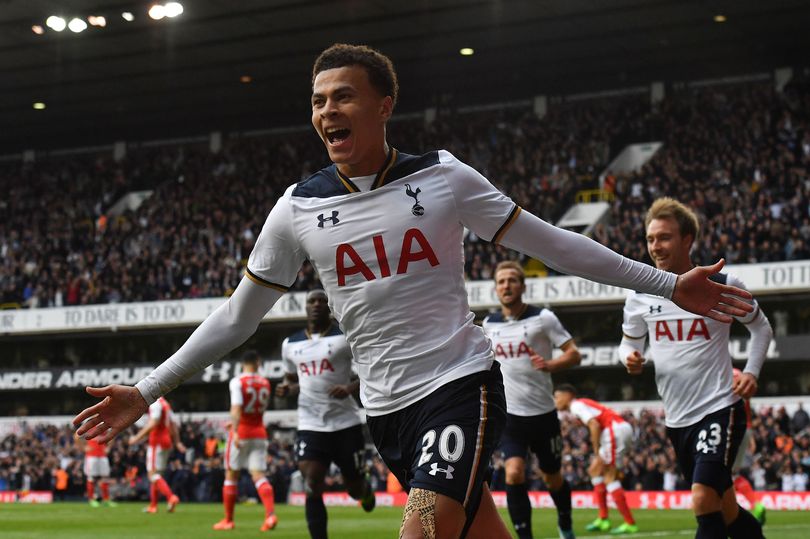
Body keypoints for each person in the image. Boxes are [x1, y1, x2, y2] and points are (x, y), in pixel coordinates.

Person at [74, 44, 753, 539]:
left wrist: (669, 283)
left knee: (422, 528)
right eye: (317, 100)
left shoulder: (444, 178)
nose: (327, 111)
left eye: (342, 96)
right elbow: (236, 316)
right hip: (386, 412)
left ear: (384, 106)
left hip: (459, 383)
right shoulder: (296, 208)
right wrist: (148, 388)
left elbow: (554, 242)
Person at [619, 197, 772, 539]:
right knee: (727, 511)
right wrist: (628, 356)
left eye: (665, 237)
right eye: (651, 238)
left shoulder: (721, 284)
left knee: (703, 500)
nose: (656, 246)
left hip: (720, 406)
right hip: (677, 419)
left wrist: (751, 372)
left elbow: (761, 327)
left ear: (687, 239)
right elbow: (629, 342)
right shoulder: (640, 294)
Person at [482, 261, 581, 539]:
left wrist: (550, 364)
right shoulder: (489, 323)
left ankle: (565, 521)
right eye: (501, 281)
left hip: (544, 414)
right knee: (513, 473)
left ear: (523, 286)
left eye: (512, 280)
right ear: (496, 288)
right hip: (510, 416)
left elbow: (573, 354)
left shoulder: (543, 318)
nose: (506, 286)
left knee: (552, 477)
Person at [276, 289, 375, 539]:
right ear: (306, 307)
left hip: (345, 423)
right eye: (312, 301)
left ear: (330, 306)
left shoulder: (345, 338)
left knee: (353, 487)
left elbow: (371, 369)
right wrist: (287, 387)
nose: (317, 304)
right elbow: (291, 378)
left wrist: (349, 388)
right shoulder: (290, 344)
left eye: (322, 300)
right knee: (312, 483)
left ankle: (364, 492)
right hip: (310, 424)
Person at [553, 385, 637, 535]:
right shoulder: (580, 404)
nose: (556, 401)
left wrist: (596, 450)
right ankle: (603, 519)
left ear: (568, 395)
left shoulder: (576, 405)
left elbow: (594, 424)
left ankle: (630, 523)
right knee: (594, 471)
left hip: (613, 431)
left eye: (557, 396)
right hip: (616, 429)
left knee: (610, 476)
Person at [213, 350, 279, 531]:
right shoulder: (265, 382)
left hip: (241, 433)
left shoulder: (238, 381)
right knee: (258, 475)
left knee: (231, 475)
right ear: (258, 362)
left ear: (243, 363)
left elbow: (236, 408)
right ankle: (270, 515)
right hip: (259, 432)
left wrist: (234, 430)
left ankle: (228, 520)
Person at [128, 396, 184, 513]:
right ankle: (153, 506)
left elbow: (154, 422)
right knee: (157, 475)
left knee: (152, 475)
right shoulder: (166, 404)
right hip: (166, 441)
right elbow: (173, 425)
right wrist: (177, 442)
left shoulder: (155, 404)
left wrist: (136, 438)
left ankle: (171, 497)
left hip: (157, 442)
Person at [730, 369, 766, 524]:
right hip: (745, 428)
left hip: (729, 427)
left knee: (723, 474)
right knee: (732, 474)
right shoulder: (741, 375)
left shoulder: (722, 374)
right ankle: (754, 505)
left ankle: (726, 513)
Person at [74, 434, 117, 508]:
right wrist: (83, 448)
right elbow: (76, 436)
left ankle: (106, 500)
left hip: (102, 456)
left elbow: (113, 434)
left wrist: (109, 447)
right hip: (91, 456)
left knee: (104, 478)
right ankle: (91, 500)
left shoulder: (104, 426)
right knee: (91, 478)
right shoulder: (89, 426)